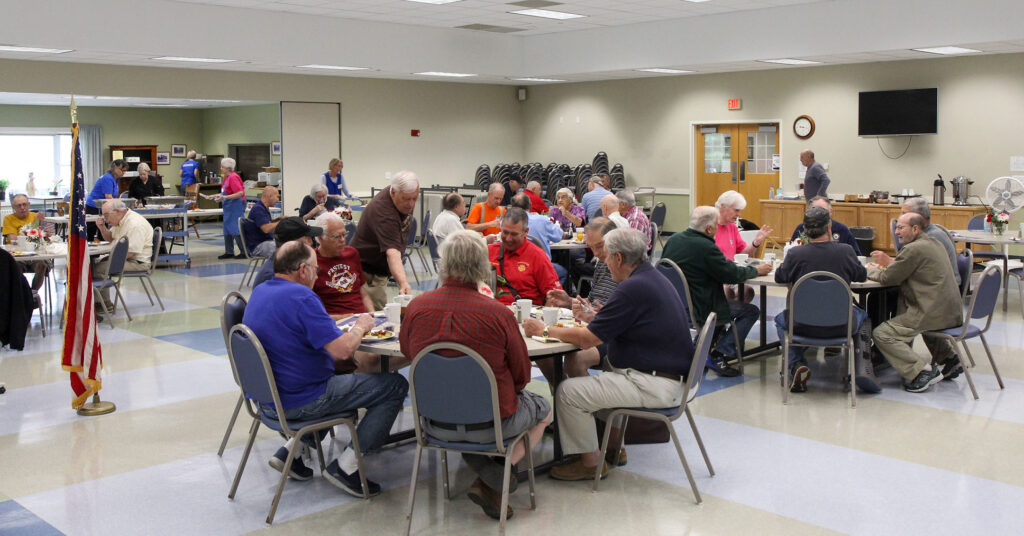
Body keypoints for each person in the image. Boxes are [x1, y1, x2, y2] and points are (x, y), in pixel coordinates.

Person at [400, 230, 552, 520]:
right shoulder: (499, 315)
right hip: (491, 423)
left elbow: (410, 355)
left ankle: (489, 477)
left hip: (433, 423)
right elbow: (521, 377)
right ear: (483, 267)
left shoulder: (416, 309)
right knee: (544, 409)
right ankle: (495, 478)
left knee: (476, 409)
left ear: (442, 264)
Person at [523, 228, 693, 481]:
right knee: (595, 374)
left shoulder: (632, 288)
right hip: (669, 376)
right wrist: (595, 318)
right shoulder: (651, 278)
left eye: (606, 259)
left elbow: (589, 339)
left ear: (620, 258)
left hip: (655, 384)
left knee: (568, 392)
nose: (603, 264)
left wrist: (544, 329)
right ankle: (611, 447)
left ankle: (590, 463)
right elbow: (619, 324)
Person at [243, 241, 408, 497]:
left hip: (268, 398)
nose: (318, 275)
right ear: (302, 270)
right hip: (302, 400)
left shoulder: (261, 291)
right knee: (393, 385)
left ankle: (293, 451)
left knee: (344, 377)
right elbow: (342, 350)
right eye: (316, 270)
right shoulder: (302, 297)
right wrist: (360, 327)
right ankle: (347, 466)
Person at [661, 206, 771, 377]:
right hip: (701, 306)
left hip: (675, 304)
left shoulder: (674, 240)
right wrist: (757, 271)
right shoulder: (705, 246)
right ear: (709, 228)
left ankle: (702, 350)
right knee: (750, 311)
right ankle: (719, 353)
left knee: (725, 305)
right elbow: (732, 274)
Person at [773, 206, 871, 393]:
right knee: (863, 316)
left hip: (801, 325)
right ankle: (859, 370)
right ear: (829, 228)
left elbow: (780, 277)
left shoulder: (795, 254)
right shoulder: (846, 251)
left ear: (805, 230)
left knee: (780, 320)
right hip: (842, 326)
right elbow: (861, 275)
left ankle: (795, 365)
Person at [867, 212, 963, 393]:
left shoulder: (913, 249)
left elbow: (888, 277)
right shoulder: (933, 243)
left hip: (932, 312)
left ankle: (921, 371)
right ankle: (950, 359)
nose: (896, 232)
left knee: (882, 334)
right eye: (897, 227)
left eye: (901, 227)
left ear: (916, 228)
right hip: (950, 310)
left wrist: (869, 270)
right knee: (922, 325)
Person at [543, 218, 620, 379]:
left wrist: (595, 315)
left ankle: (573, 398)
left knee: (575, 359)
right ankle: (561, 392)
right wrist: (569, 302)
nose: (596, 253)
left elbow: (614, 318)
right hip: (594, 322)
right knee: (546, 351)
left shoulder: (623, 269)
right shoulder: (601, 262)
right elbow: (591, 301)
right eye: (592, 248)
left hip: (611, 333)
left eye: (599, 246)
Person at [350, 171, 418, 309]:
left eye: (414, 198)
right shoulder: (384, 212)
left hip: (380, 267)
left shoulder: (401, 192)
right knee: (376, 315)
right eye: (406, 199)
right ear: (393, 192)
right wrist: (403, 282)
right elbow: (392, 252)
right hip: (367, 271)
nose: (411, 204)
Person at [488, 207, 562, 305]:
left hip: (525, 316)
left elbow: (554, 297)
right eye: (505, 232)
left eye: (514, 234)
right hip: (492, 314)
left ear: (526, 232)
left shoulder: (537, 256)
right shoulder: (489, 251)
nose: (508, 238)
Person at [94, 199, 153, 311]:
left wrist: (109, 258)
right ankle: (98, 301)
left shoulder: (134, 224)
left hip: (137, 262)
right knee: (97, 263)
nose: (105, 219)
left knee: (98, 268)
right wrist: (102, 228)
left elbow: (131, 252)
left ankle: (104, 304)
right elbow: (110, 238)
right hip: (127, 258)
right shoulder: (120, 220)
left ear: (118, 211)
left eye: (106, 215)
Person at [312, 212, 374, 316]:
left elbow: (362, 293)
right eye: (336, 236)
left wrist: (372, 314)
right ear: (321, 237)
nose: (343, 240)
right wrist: (345, 318)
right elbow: (312, 312)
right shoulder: (312, 260)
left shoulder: (352, 253)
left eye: (344, 234)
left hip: (361, 317)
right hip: (334, 323)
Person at [901, 197, 960, 287]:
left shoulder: (933, 237)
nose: (900, 218)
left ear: (920, 218)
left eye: (905, 214)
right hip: (933, 284)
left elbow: (910, 269)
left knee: (883, 294)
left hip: (942, 290)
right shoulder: (919, 233)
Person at [252, 216, 323, 287]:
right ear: (291, 244)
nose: (311, 242)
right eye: (307, 238)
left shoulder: (288, 266)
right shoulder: (274, 277)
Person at [2, 194, 48, 290]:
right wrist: (34, 227)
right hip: (18, 255)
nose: (22, 208)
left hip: (35, 253)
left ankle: (33, 294)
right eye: (19, 205)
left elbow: (47, 236)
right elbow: (13, 238)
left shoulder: (36, 216)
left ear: (29, 205)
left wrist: (45, 230)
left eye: (24, 204)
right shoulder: (8, 218)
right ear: (13, 207)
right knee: (16, 267)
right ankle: (22, 296)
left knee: (42, 265)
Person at [714, 190, 772, 261]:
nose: (739, 214)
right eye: (736, 210)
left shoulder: (732, 227)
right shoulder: (709, 227)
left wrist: (756, 242)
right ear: (723, 206)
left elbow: (743, 254)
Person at [790, 196, 860, 255]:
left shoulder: (842, 230)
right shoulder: (801, 228)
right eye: (815, 211)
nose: (819, 215)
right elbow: (790, 250)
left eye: (823, 211)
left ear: (831, 212)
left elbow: (856, 256)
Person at [85, 159, 127, 241]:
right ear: (115, 169)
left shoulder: (116, 179)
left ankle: (103, 251)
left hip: (102, 206)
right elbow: (108, 197)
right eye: (123, 170)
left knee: (103, 230)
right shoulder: (107, 178)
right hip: (94, 207)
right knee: (91, 231)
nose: (124, 173)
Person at [213, 157, 246, 259]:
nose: (221, 168)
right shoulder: (227, 177)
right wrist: (216, 195)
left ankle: (244, 252)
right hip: (228, 206)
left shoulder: (233, 177)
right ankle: (229, 251)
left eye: (222, 167)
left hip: (235, 206)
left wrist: (224, 197)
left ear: (228, 168)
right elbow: (226, 191)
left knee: (236, 229)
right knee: (227, 229)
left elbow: (240, 193)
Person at [243, 186, 280, 260]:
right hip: (258, 245)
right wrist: (281, 222)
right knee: (282, 250)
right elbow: (266, 228)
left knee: (287, 245)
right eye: (277, 197)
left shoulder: (263, 208)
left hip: (265, 242)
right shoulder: (258, 209)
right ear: (270, 196)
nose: (278, 200)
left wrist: (278, 219)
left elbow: (267, 223)